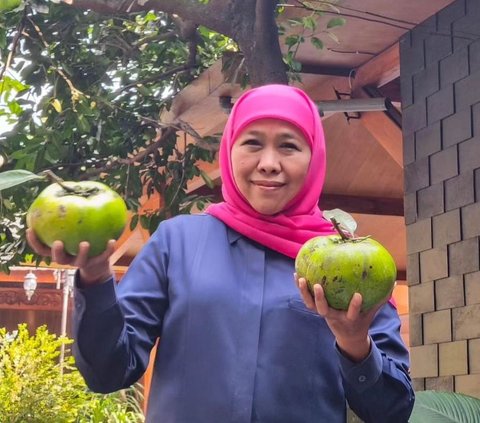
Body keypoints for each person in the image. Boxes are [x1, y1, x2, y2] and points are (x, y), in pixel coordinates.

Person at [27, 84, 415, 423]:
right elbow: (109, 371)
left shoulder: (352, 264)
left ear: (313, 159)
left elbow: (391, 411)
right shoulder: (176, 242)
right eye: (252, 143)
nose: (268, 163)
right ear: (229, 151)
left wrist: (355, 343)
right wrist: (95, 277)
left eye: (289, 146)